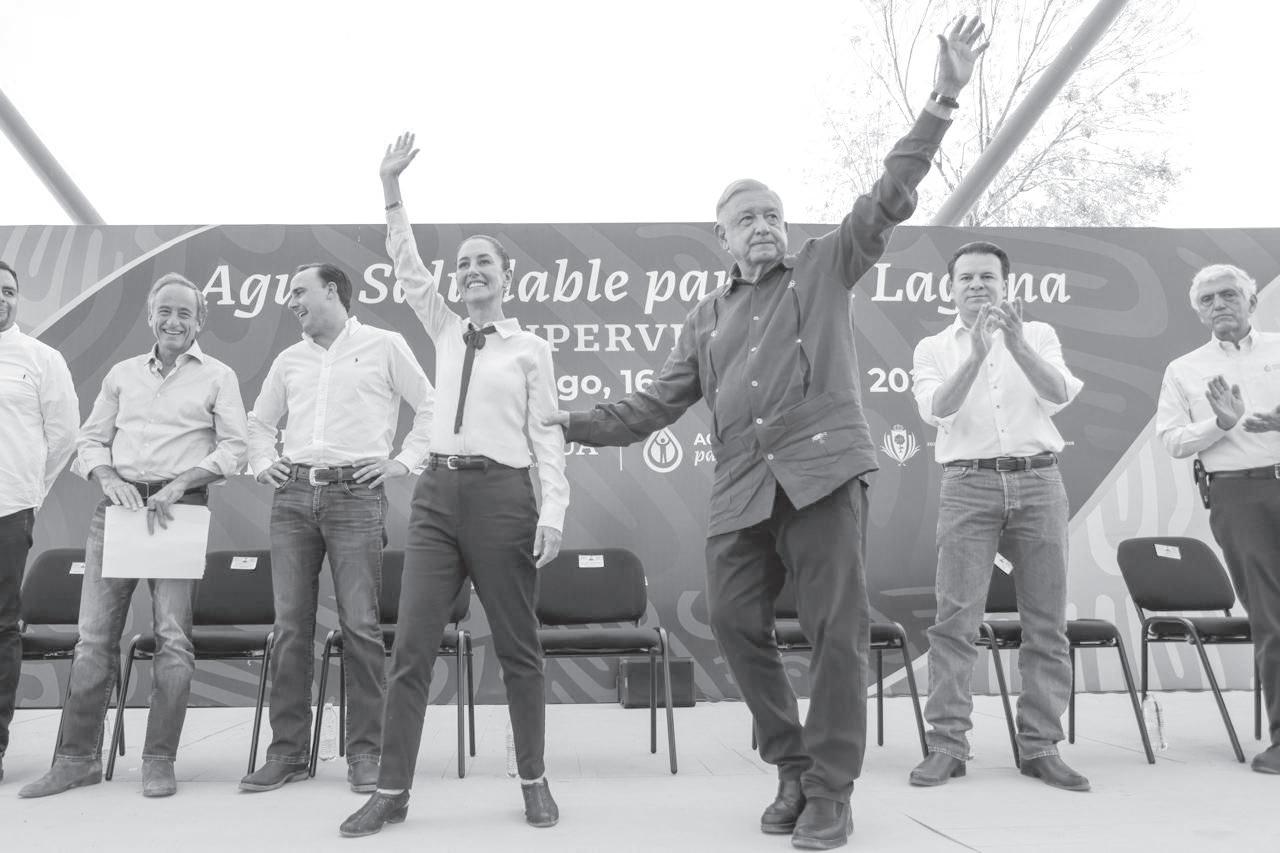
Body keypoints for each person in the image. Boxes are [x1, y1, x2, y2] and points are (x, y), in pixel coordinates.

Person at [545, 17, 988, 850]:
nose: (764, 225)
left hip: (823, 477)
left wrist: (942, 98)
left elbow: (889, 197)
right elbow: (652, 405)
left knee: (836, 632)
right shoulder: (705, 317)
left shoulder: (823, 266)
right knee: (733, 621)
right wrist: (565, 421)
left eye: (773, 214)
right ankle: (790, 760)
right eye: (747, 217)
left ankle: (830, 788)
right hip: (741, 490)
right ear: (720, 236)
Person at [338, 133, 569, 838]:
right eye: (462, 263)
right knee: (411, 649)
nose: (470, 271)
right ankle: (392, 791)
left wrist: (553, 512)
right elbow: (407, 266)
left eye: (482, 262)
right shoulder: (442, 327)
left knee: (519, 648)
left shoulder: (530, 350)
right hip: (437, 499)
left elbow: (547, 437)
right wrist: (391, 188)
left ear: (505, 277)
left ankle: (533, 780)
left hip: (503, 498)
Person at [18, 273, 247, 799]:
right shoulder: (122, 374)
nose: (173, 321)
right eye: (164, 311)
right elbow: (90, 441)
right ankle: (76, 760)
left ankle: (159, 760)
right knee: (93, 639)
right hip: (117, 513)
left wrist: (182, 482)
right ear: (149, 316)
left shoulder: (219, 376)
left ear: (200, 321)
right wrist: (108, 478)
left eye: (184, 313)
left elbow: (235, 449)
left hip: (178, 511)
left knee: (173, 640)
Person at [239, 263, 433, 795]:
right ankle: (287, 754)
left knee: (361, 627)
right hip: (293, 496)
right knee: (290, 628)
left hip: (357, 496)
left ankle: (367, 754)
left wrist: (403, 461)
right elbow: (259, 423)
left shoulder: (384, 345)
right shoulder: (289, 359)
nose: (291, 302)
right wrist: (263, 463)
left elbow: (432, 406)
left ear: (332, 291)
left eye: (299, 291)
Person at [908, 241, 1086, 792]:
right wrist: (979, 353)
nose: (977, 285)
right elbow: (937, 408)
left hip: (1039, 480)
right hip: (968, 483)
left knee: (1046, 621)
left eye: (987, 276)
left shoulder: (1040, 335)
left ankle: (1040, 746)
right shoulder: (932, 347)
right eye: (966, 278)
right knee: (955, 621)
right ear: (951, 288)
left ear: (1006, 285)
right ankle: (947, 745)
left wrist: (1014, 343)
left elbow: (1059, 393)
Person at [1156, 263, 1280, 774]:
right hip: (1239, 495)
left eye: (1228, 294)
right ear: (1199, 312)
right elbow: (1172, 440)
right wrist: (1219, 424)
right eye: (1207, 300)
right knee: (1272, 618)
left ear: (1252, 301)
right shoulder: (1184, 368)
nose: (1218, 305)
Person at [0, 260, 80, 784]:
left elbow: (65, 436)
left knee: (1, 627)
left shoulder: (40, 358)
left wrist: (29, 493)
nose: (1, 298)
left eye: (8, 291)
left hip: (7, 510)